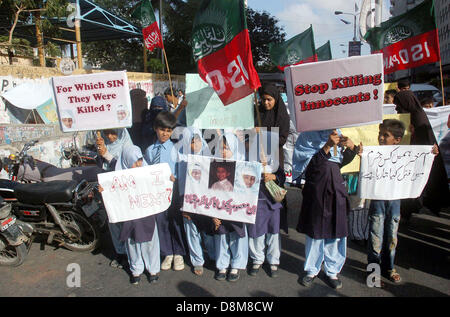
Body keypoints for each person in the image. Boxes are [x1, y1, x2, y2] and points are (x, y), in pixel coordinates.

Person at [366, 119, 438, 283]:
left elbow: (418, 162)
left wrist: (431, 153)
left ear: (397, 140)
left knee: (392, 236)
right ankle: (373, 270)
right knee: (375, 236)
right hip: (377, 200)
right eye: (380, 135)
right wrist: (360, 151)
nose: (381, 138)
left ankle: (389, 267)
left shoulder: (403, 155)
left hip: (395, 201)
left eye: (386, 135)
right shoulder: (373, 153)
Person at [296, 129, 361, 289]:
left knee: (336, 232)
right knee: (315, 232)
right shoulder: (306, 137)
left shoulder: (336, 132)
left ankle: (332, 271)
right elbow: (309, 168)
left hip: (336, 190)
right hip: (316, 191)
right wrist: (327, 146)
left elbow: (340, 162)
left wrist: (352, 148)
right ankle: (311, 270)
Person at [394, 90, 449, 218]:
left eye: (398, 105)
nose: (397, 108)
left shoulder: (417, 118)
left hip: (422, 160)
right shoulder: (412, 115)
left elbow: (421, 141)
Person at [145, 111, 187, 271]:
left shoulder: (177, 149)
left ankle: (179, 253)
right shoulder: (149, 151)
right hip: (157, 191)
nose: (165, 133)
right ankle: (167, 252)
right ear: (155, 128)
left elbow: (182, 170)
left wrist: (175, 177)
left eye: (169, 131)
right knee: (161, 221)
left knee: (175, 221)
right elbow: (145, 170)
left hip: (173, 190)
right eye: (162, 129)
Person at [114, 145, 160, 285]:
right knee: (131, 242)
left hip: (146, 213)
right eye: (135, 161)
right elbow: (113, 192)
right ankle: (136, 269)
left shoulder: (146, 172)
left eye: (140, 160)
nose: (138, 164)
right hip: (130, 215)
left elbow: (158, 184)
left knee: (150, 241)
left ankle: (153, 269)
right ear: (127, 161)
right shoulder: (118, 176)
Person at [177, 127, 215, 276]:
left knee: (208, 230)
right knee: (191, 230)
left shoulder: (209, 157)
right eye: (192, 141)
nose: (197, 144)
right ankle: (197, 260)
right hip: (189, 202)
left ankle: (212, 255)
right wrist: (184, 205)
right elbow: (180, 184)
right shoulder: (182, 158)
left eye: (199, 139)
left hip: (206, 201)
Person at [212, 132, 248, 282]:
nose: (223, 151)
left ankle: (236, 264)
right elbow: (209, 193)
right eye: (221, 148)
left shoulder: (242, 168)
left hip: (236, 211)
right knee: (221, 235)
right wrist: (212, 213)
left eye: (227, 148)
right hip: (219, 211)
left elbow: (247, 193)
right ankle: (222, 264)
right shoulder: (214, 168)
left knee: (237, 235)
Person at [95, 128, 133, 269]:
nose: (110, 137)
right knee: (113, 220)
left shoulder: (127, 145)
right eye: (107, 133)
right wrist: (100, 151)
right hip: (109, 186)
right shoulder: (102, 143)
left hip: (124, 187)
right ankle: (120, 252)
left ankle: (131, 253)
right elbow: (101, 165)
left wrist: (107, 155)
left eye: (113, 133)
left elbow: (128, 165)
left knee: (126, 220)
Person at [256, 84, 291, 234]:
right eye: (263, 100)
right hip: (257, 156)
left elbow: (282, 138)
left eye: (269, 99)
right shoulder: (256, 112)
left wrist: (262, 134)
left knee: (274, 192)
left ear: (276, 98)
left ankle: (275, 228)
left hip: (275, 157)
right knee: (259, 195)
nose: (266, 103)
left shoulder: (282, 116)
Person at [246, 159, 285, 278]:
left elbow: (282, 176)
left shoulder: (275, 157)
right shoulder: (248, 155)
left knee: (273, 231)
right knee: (256, 230)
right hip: (256, 198)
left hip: (272, 199)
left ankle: (273, 260)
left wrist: (274, 176)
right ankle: (257, 259)